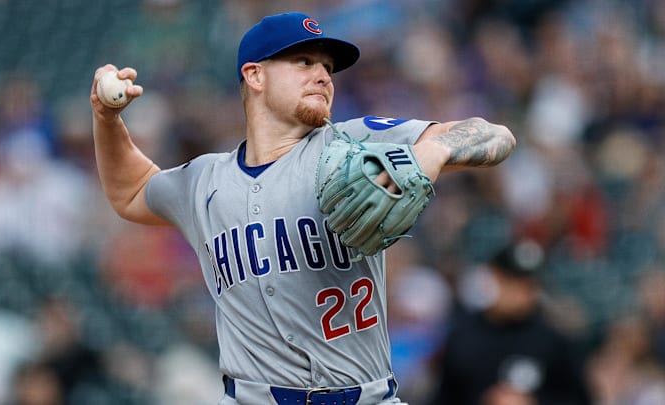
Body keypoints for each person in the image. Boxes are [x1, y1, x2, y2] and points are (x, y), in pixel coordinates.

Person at [90, 11, 516, 405]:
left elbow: (493, 136)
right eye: (304, 62)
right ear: (254, 75)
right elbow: (132, 191)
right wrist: (107, 121)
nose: (323, 76)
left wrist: (431, 152)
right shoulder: (205, 181)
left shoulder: (352, 147)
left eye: (327, 68)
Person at [427, 238, 593, 405]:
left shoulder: (553, 340)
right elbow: (443, 398)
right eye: (511, 279)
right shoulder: (463, 336)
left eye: (528, 284)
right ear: (493, 276)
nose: (519, 291)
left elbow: (580, 399)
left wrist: (534, 402)